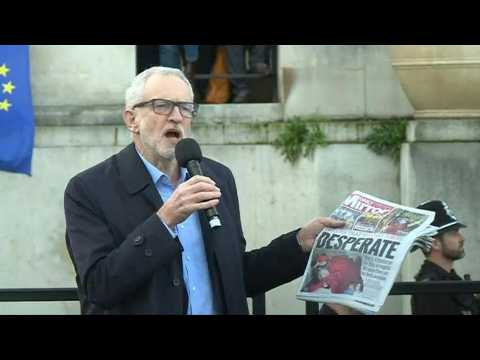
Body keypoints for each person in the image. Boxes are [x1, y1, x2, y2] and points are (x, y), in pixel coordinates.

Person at [64, 66, 345, 314]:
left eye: (186, 108)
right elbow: (99, 287)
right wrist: (165, 221)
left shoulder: (216, 176)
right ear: (131, 119)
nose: (176, 117)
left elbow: (236, 276)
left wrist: (298, 243)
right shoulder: (88, 189)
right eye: (162, 105)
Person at [410, 200, 480, 315]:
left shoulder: (449, 279)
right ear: (435, 243)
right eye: (454, 233)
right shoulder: (430, 289)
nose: (462, 238)